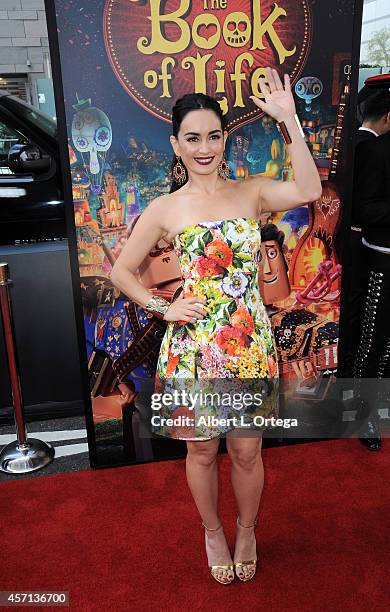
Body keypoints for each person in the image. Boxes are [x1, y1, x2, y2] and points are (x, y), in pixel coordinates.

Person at [111, 67, 321, 585]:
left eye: (213, 136)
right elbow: (119, 270)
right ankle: (212, 530)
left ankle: (247, 528)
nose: (204, 148)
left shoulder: (249, 192)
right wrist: (162, 308)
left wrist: (290, 120)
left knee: (247, 450)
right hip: (193, 349)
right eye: (192, 138)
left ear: (224, 138)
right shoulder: (164, 209)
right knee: (201, 450)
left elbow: (309, 188)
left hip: (249, 343)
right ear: (176, 144)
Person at [351, 89, 390, 452]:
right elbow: (365, 209)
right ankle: (365, 415)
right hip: (379, 258)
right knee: (373, 341)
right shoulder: (374, 148)